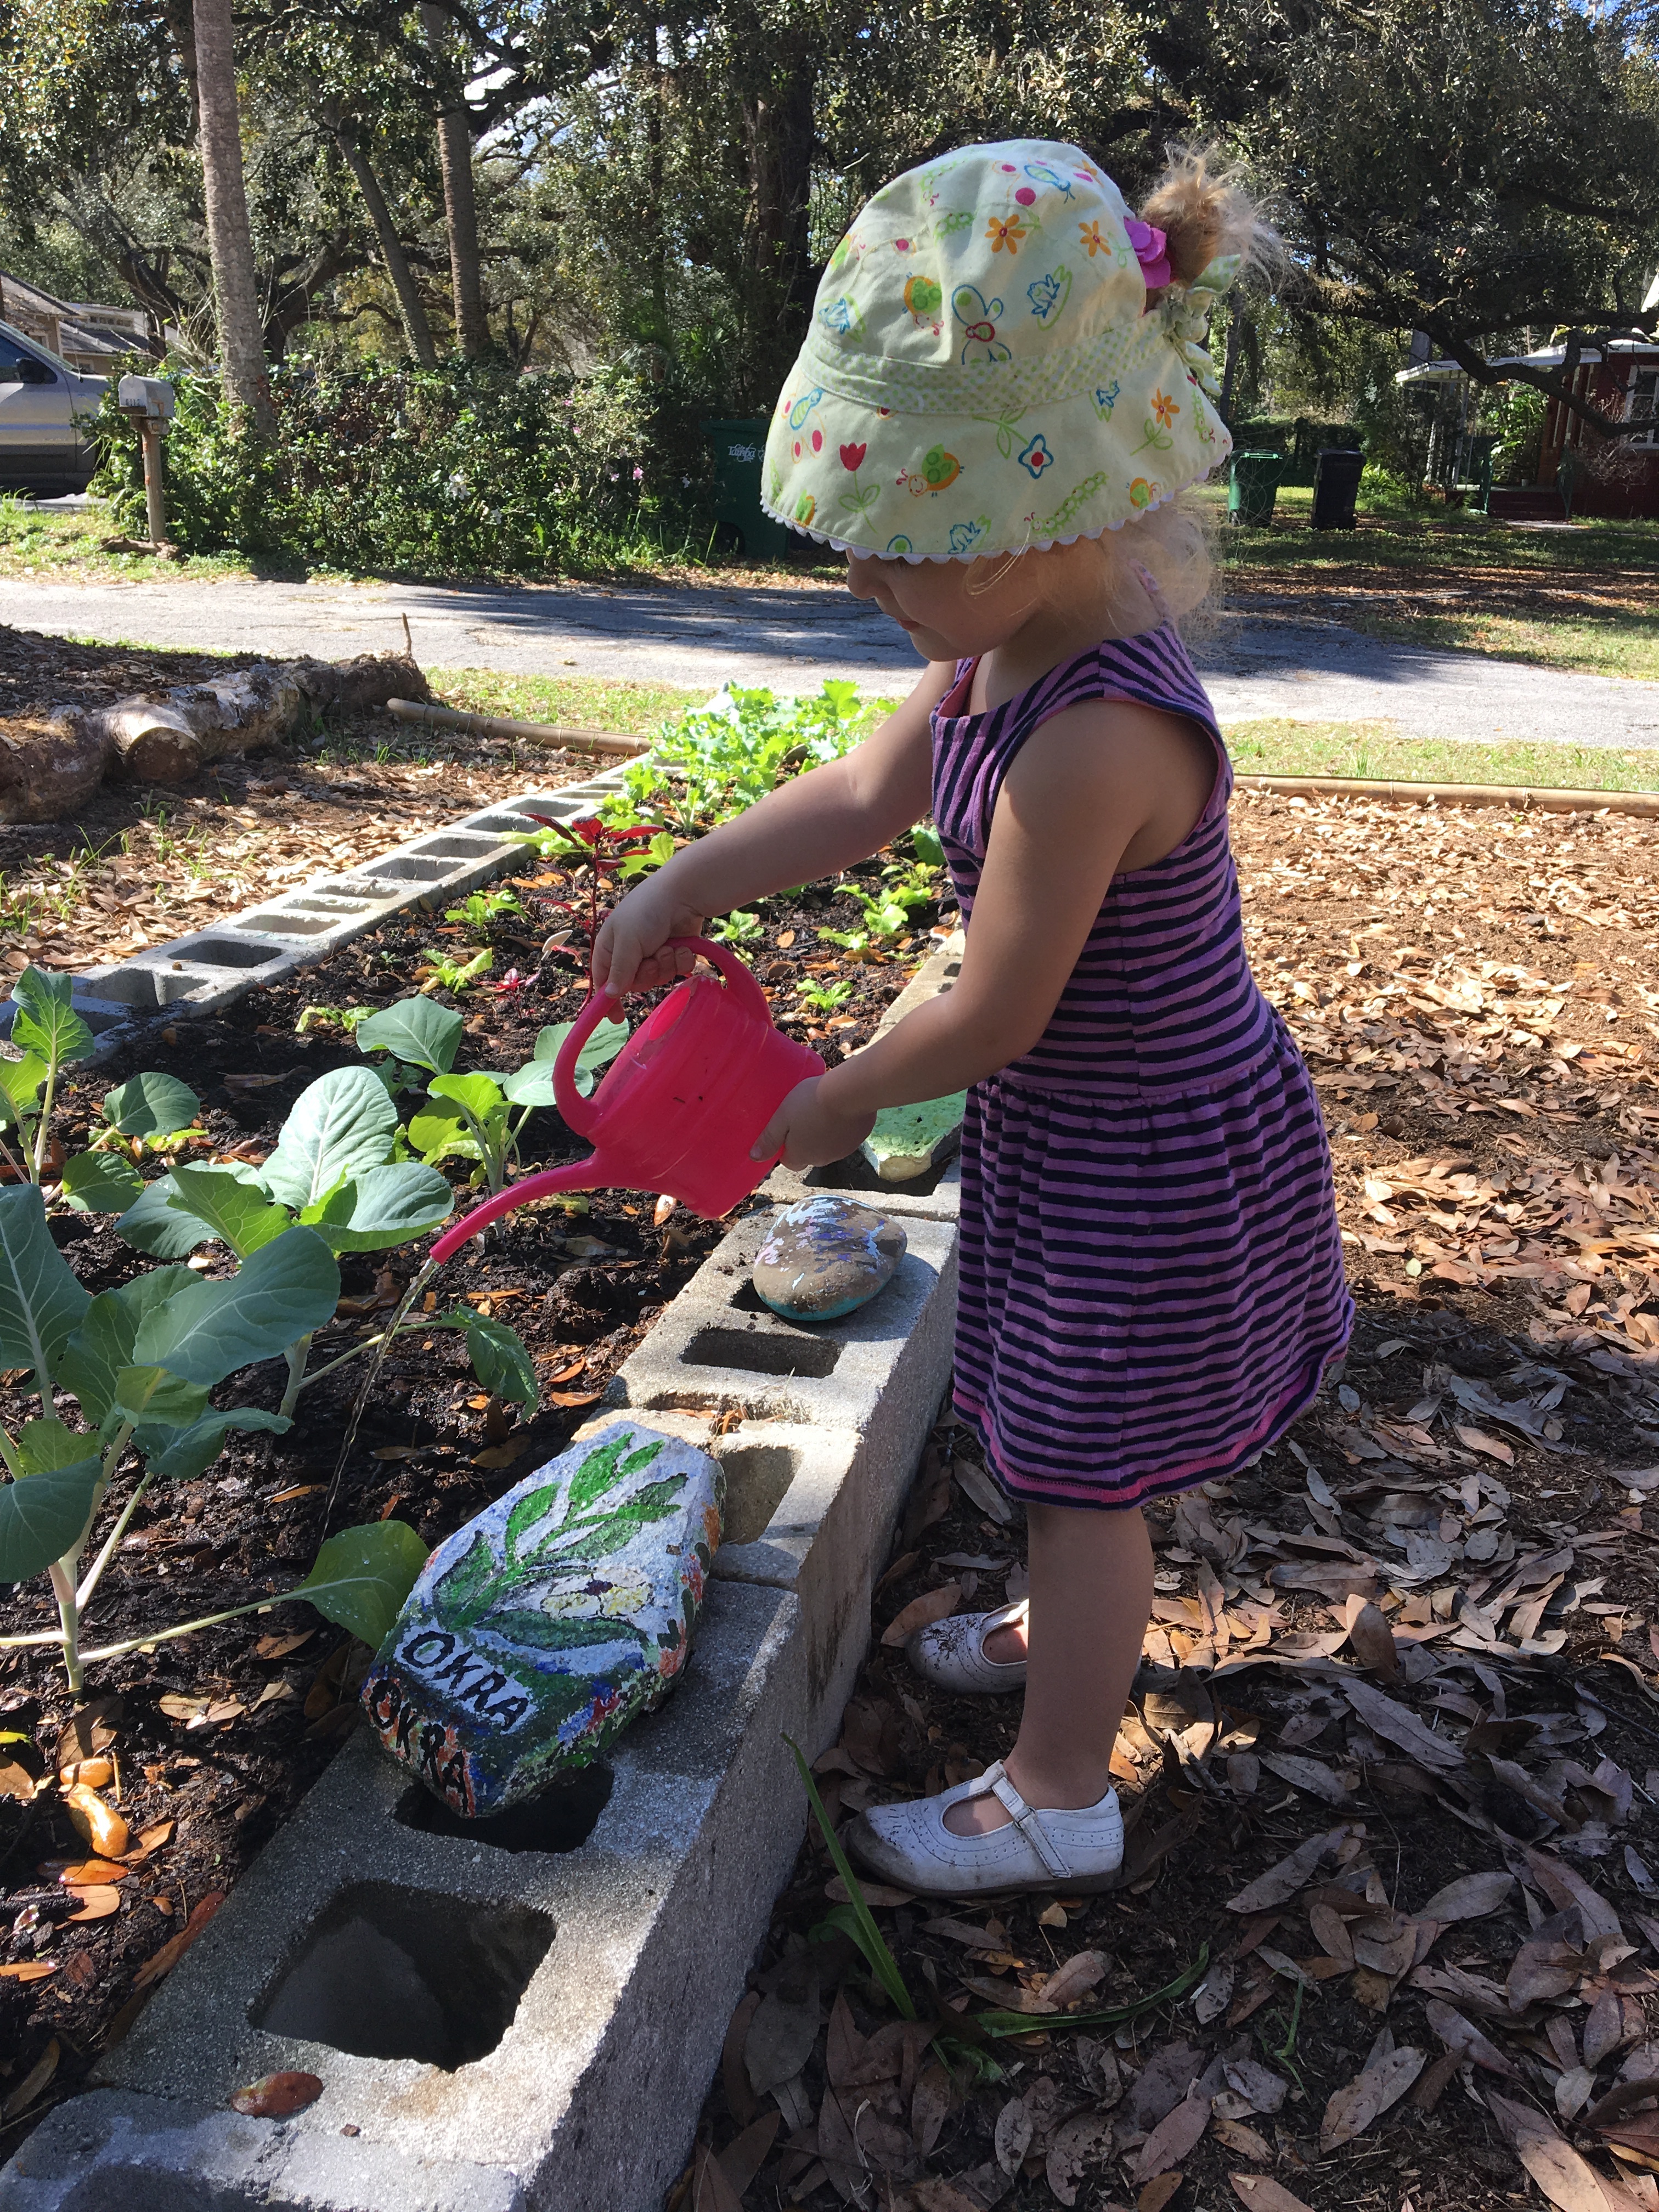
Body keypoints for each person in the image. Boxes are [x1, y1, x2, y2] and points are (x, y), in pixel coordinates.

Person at [592, 139, 1353, 1896]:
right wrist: (690, 878)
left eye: (899, 546)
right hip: (1080, 1133)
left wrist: (840, 1095)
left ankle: (1062, 1792)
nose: (866, 575)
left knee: (1089, 1474)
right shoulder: (993, 647)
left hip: (1145, 1155)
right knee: (1055, 1428)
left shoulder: (1098, 738)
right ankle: (1055, 1629)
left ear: (1041, 518)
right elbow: (865, 796)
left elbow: (1000, 1005)